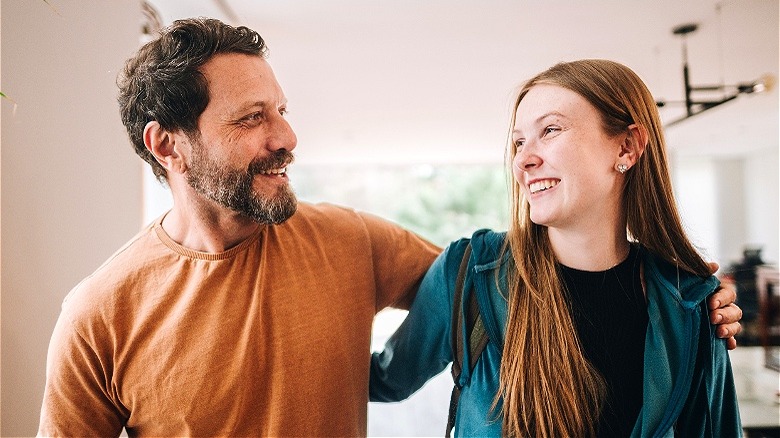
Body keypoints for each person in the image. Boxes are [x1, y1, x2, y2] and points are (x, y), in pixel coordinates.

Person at [37, 19, 740, 436]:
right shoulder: (99, 313)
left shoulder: (354, 242)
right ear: (168, 145)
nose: (287, 135)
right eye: (253, 118)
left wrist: (695, 291)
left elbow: (502, 287)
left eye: (281, 109)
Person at [370, 59, 742, 437]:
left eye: (550, 130)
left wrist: (697, 295)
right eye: (518, 142)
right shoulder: (468, 272)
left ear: (626, 148)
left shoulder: (692, 305)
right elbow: (381, 379)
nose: (522, 160)